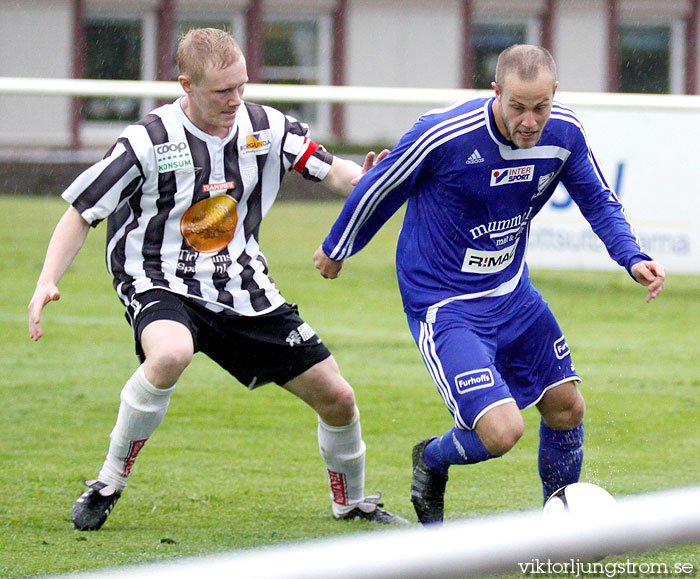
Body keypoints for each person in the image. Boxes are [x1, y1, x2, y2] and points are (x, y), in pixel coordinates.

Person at [28, 27, 407, 531]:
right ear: (186, 85)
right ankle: (107, 482)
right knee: (170, 354)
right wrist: (46, 280)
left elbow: (334, 172)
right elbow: (81, 212)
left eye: (242, 86)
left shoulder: (266, 126)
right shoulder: (147, 140)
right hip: (158, 278)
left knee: (337, 397)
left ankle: (353, 503)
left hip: (241, 284)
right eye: (222, 91)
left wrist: (366, 179)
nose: (236, 100)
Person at [314, 44, 665, 525]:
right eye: (517, 106)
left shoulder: (564, 133)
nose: (529, 120)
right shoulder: (443, 134)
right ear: (495, 92)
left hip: (513, 295)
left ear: (555, 95)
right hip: (446, 305)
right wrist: (338, 248)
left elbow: (598, 199)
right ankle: (432, 460)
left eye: (540, 107)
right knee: (501, 433)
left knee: (567, 408)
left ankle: (561, 525)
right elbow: (381, 187)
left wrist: (632, 256)